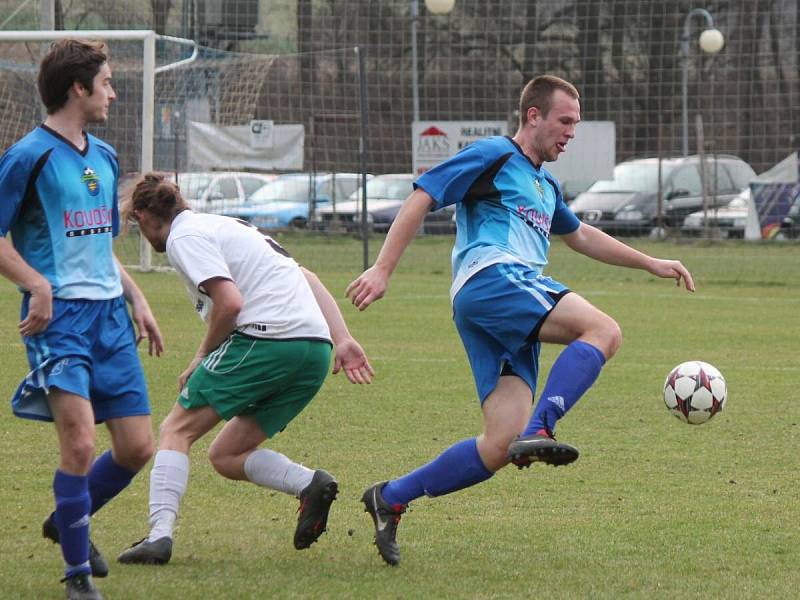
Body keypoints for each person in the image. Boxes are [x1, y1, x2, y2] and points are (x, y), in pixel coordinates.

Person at [345, 75, 695, 566]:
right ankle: (544, 428)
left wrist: (651, 263)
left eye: (576, 122)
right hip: (494, 277)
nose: (572, 131)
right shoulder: (494, 154)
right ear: (534, 116)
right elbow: (423, 195)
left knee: (500, 445)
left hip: (496, 302)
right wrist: (383, 268)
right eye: (565, 120)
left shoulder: (544, 183)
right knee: (604, 331)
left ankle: (390, 496)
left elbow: (582, 237)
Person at [116, 173, 375, 566]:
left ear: (143, 216)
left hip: (266, 340)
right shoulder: (225, 225)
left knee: (175, 430)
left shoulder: (183, 238)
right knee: (226, 455)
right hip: (313, 349)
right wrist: (342, 338)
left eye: (137, 226)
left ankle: (159, 536)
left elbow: (230, 304)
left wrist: (201, 356)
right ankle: (310, 484)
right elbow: (307, 276)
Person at [0, 40, 164, 599]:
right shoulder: (28, 157)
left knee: (139, 446)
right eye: (108, 82)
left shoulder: (106, 156)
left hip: (110, 320)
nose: (113, 92)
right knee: (80, 443)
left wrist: (138, 299)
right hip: (60, 322)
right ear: (78, 87)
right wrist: (35, 284)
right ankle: (76, 578)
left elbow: (98, 249)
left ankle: (65, 519)